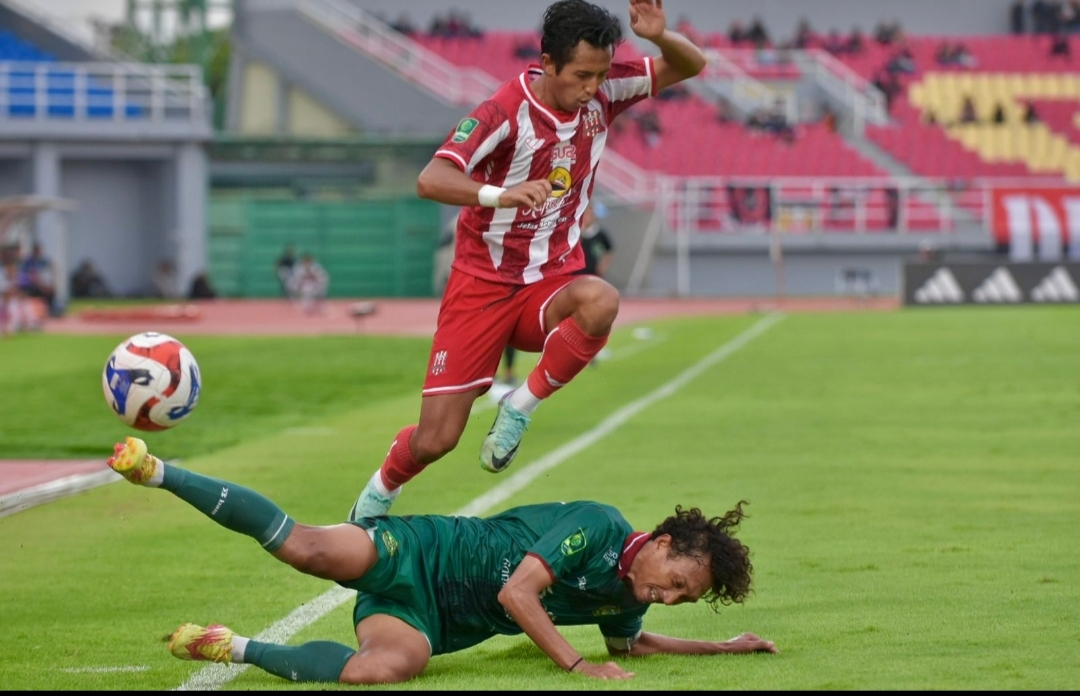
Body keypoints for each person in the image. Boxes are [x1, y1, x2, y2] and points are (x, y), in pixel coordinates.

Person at [348, 0, 707, 521]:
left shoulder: (603, 93)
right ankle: (380, 490)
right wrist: (500, 194)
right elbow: (431, 179)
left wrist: (661, 36)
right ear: (549, 62)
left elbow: (691, 65)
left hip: (550, 281)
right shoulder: (501, 112)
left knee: (601, 301)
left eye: (601, 74)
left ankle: (519, 405)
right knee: (436, 439)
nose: (592, 86)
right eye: (582, 74)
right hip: (482, 287)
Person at [105, 436, 778, 685]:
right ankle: (158, 470)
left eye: (684, 600)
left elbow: (634, 648)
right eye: (677, 584)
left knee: (382, 670)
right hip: (421, 553)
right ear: (663, 544)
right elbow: (519, 595)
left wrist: (726, 647)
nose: (668, 598)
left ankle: (234, 648)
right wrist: (576, 665)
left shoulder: (630, 598)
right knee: (306, 548)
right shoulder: (599, 525)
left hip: (431, 621)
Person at [17, 242, 58, 316]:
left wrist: (47, 285)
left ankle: (49, 311)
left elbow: (49, 273)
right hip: (30, 286)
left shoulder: (43, 262)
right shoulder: (28, 262)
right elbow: (29, 277)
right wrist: (40, 285)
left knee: (51, 291)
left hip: (41, 284)